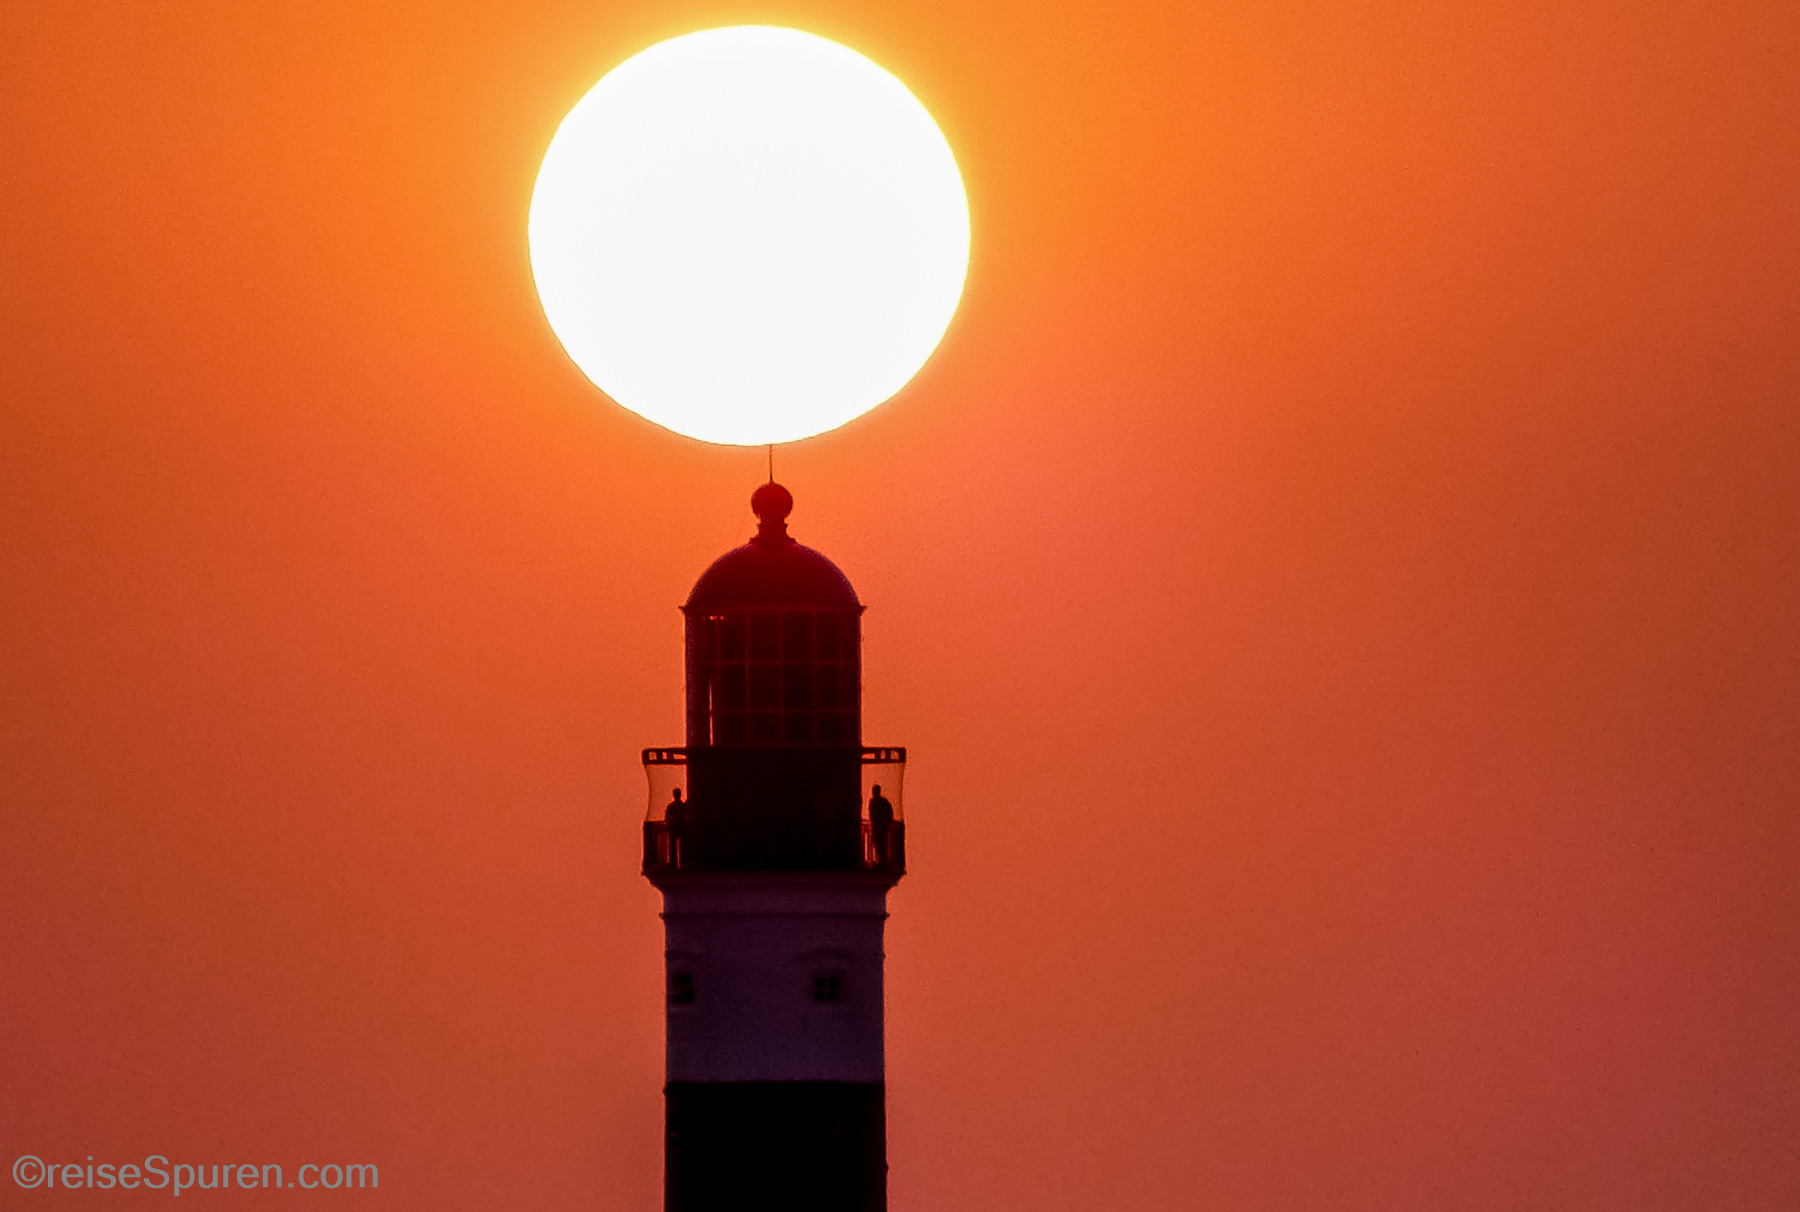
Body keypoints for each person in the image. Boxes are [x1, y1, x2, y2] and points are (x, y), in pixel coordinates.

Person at [866, 784, 894, 867]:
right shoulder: (882, 801)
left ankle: (882, 860)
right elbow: (889, 812)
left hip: (879, 826)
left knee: (880, 843)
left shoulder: (875, 802)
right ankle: (882, 860)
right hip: (879, 826)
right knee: (880, 843)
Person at [664, 787, 687, 867]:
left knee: (672, 845)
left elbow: (666, 818)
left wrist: (668, 823)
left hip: (673, 826)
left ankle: (673, 862)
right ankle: (682, 861)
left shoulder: (670, 806)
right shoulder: (683, 806)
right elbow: (686, 816)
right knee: (682, 845)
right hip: (681, 826)